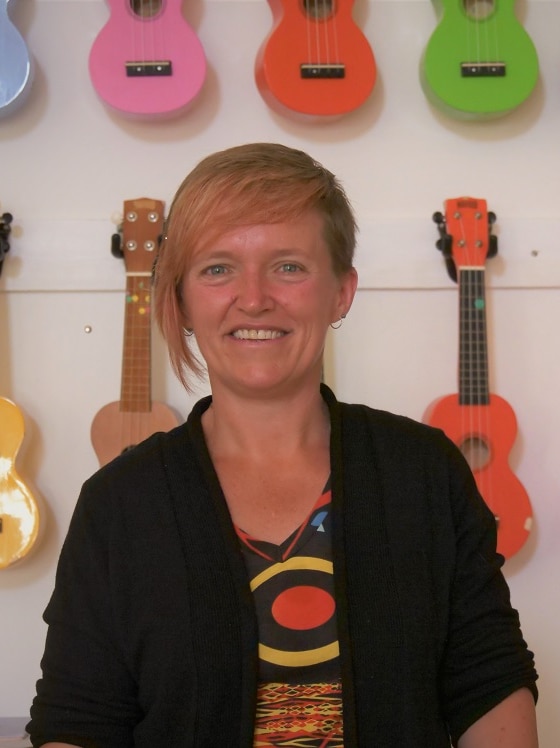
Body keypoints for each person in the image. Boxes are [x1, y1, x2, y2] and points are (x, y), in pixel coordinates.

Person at [27, 143, 538, 748]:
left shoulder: (424, 471)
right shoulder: (119, 503)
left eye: (288, 266)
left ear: (341, 292)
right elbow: (79, 720)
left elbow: (489, 681)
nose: (254, 297)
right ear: (183, 300)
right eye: (217, 268)